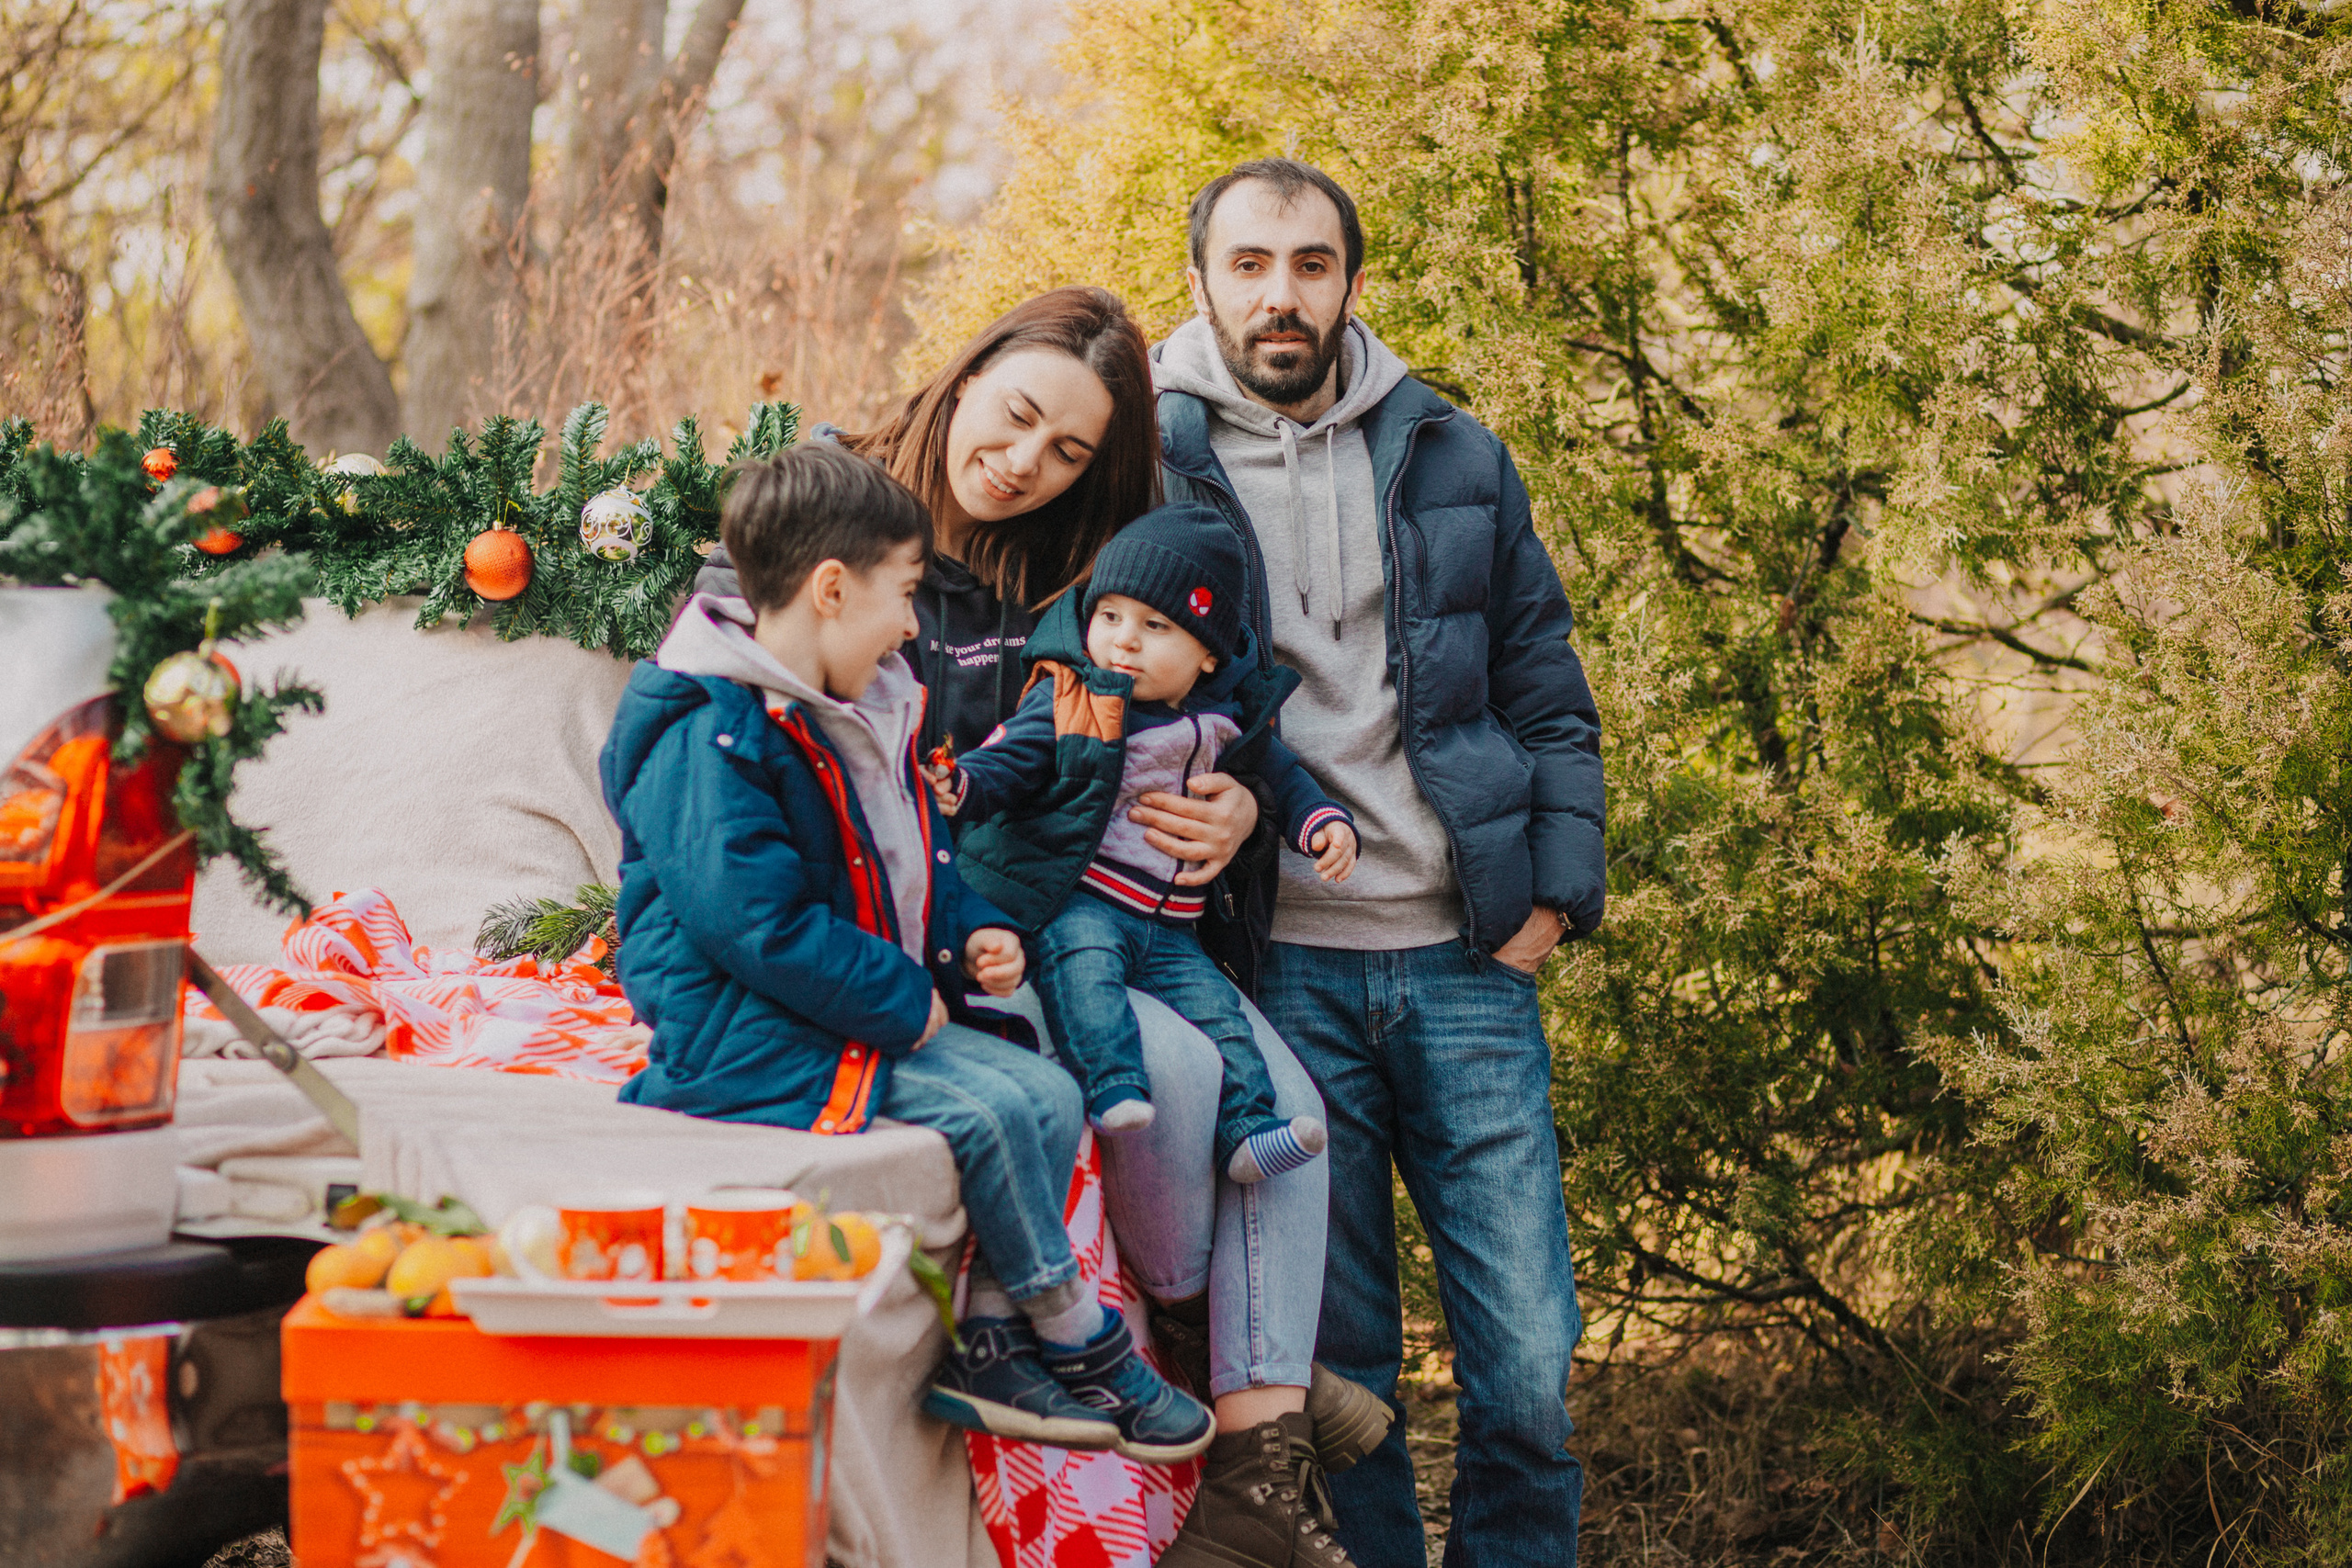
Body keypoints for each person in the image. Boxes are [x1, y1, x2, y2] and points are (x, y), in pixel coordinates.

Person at [688, 290, 1391, 1538]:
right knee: (1176, 1077)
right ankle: (1203, 1335)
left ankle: (1257, 1465)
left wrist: (1232, 810)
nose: (1023, 466)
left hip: (1099, 917)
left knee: (1295, 1115)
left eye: (1067, 454)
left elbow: (1171, 738)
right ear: (964, 377)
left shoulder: (1076, 589)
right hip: (969, 926)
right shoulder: (831, 526)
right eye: (1016, 420)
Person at [1150, 158, 1607, 1567]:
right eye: (1249, 264)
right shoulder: (1151, 460)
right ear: (1202, 281)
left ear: (1351, 280)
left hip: (1468, 961)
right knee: (1345, 1379)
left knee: (1529, 1363)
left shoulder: (1454, 450)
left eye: (1307, 263)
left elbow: (1546, 684)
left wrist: (1553, 893)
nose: (1278, 294)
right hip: (1276, 972)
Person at [605, 442, 1211, 1463]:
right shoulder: (705, 727)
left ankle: (985, 1339)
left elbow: (903, 860)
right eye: (906, 594)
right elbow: (754, 926)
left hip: (831, 1009)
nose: (911, 624)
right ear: (832, 588)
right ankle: (1077, 1334)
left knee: (1049, 1090)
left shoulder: (844, 704)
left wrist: (965, 922)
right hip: (739, 1037)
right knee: (983, 1111)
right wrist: (899, 996)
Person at [930, 503, 1357, 1187]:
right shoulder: (1076, 694)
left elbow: (1285, 777)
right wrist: (964, 785)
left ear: (1207, 653)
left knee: (1222, 1018)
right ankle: (1112, 1085)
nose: (1124, 641)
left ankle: (1248, 1127)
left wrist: (1323, 824)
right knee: (1083, 974)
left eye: (1156, 627)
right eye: (1110, 616)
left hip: (1173, 928)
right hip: (1085, 900)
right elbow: (1012, 758)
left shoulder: (1226, 720)